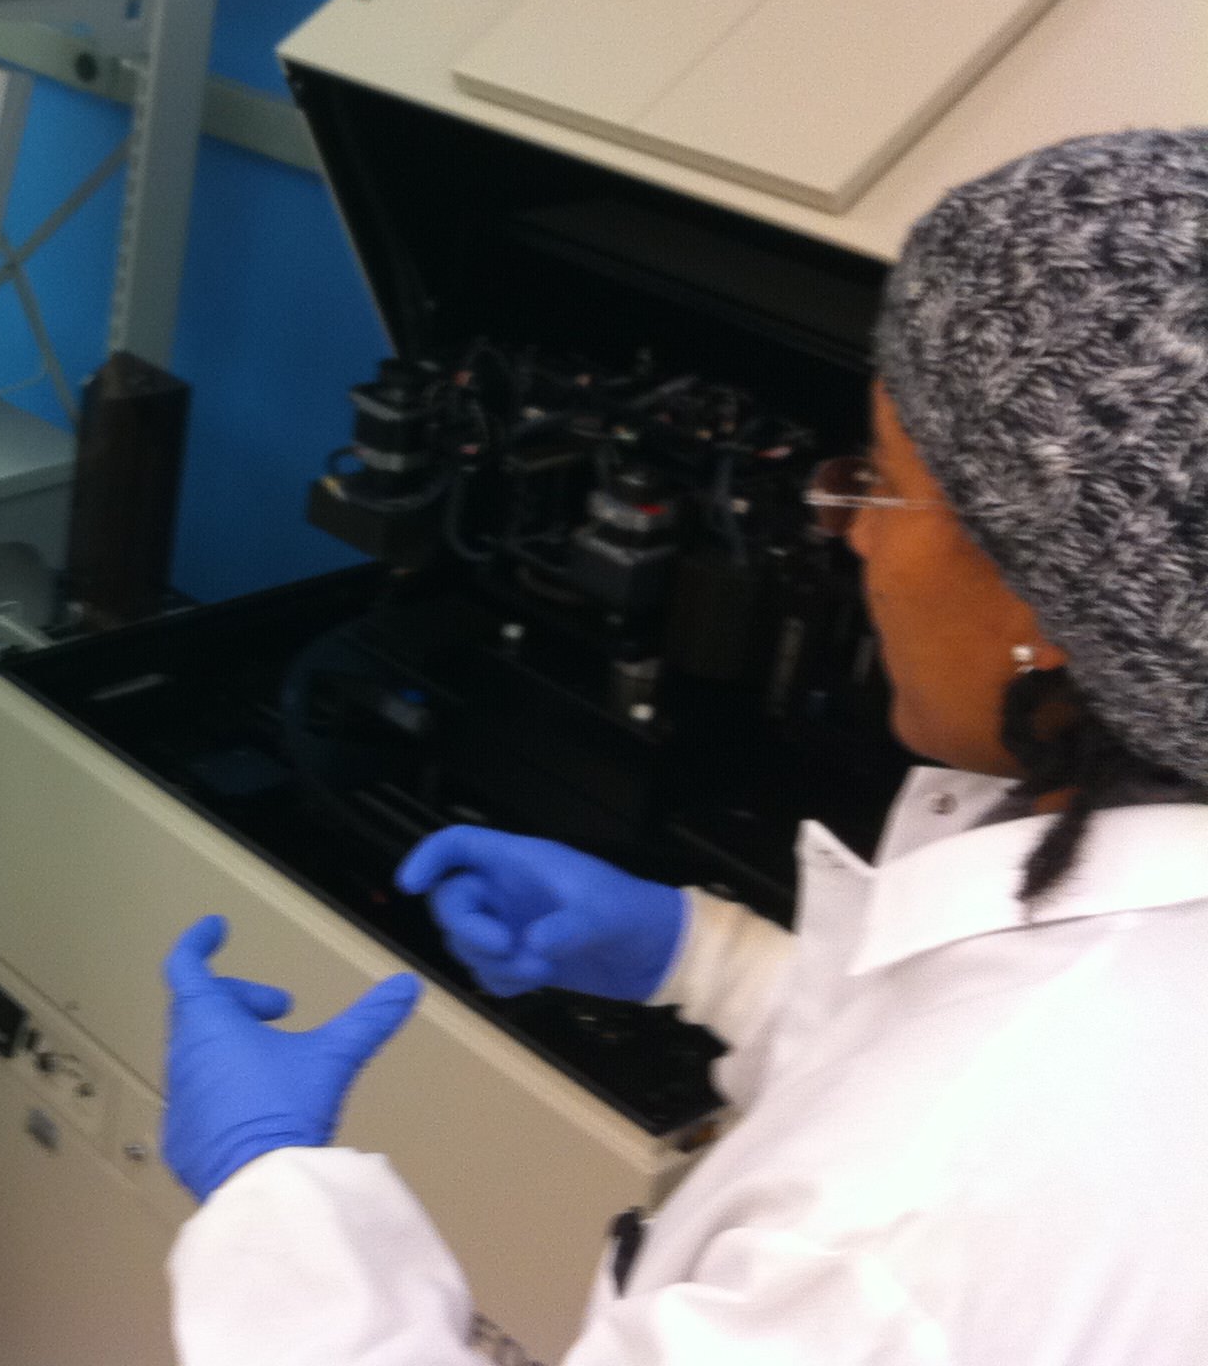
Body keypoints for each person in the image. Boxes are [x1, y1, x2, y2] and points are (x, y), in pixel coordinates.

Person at [158, 126, 1208, 1363]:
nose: (847, 535)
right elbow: (942, 1053)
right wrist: (706, 959)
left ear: (1049, 591)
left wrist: (272, 1196)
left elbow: (939, 1152)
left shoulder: (905, 1232)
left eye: (876, 482)